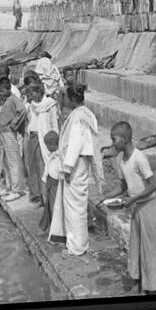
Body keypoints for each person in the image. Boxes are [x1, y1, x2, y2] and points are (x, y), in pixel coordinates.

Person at [99, 122, 156, 293]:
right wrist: (105, 197)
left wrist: (133, 199)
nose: (112, 143)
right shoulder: (122, 161)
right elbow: (123, 187)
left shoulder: (139, 158)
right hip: (136, 209)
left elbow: (153, 185)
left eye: (114, 139)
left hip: (148, 207)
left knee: (151, 247)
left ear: (124, 139)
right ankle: (140, 282)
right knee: (137, 246)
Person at [49, 84, 104, 255]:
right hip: (78, 164)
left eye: (65, 97)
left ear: (72, 99)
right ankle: (74, 242)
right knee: (74, 205)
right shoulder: (84, 114)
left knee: (74, 207)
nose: (63, 100)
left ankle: (77, 247)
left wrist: (66, 168)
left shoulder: (79, 117)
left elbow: (75, 144)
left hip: (75, 165)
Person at [24, 82, 59, 207]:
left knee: (43, 166)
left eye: (32, 93)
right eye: (29, 94)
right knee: (32, 166)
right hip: (33, 137)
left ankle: (45, 198)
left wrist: (54, 140)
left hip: (45, 140)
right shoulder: (32, 106)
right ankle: (36, 195)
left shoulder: (49, 105)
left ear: (40, 92)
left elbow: (54, 124)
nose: (31, 96)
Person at [0, 77, 27, 202]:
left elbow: (22, 111)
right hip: (3, 133)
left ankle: (17, 189)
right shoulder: (7, 100)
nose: (1, 93)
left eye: (3, 91)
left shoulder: (14, 99)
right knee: (5, 161)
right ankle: (9, 186)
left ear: (8, 88)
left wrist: (14, 124)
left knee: (14, 161)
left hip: (9, 133)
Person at [39, 131, 62, 233]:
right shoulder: (52, 156)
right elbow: (46, 173)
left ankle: (57, 231)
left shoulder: (59, 156)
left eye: (47, 145)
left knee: (55, 208)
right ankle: (53, 229)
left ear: (52, 145)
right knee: (51, 208)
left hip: (55, 185)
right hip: (51, 183)